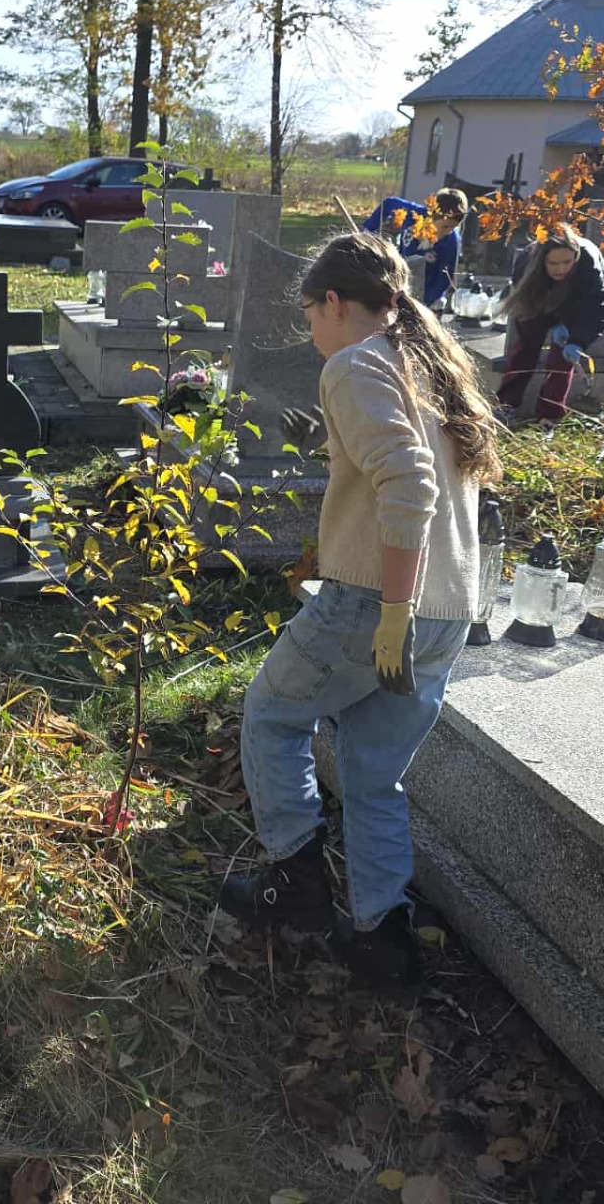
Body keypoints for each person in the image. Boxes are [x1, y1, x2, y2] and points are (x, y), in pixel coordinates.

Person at [220, 231, 501, 987]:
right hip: (450, 609)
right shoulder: (428, 364)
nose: (311, 331)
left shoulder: (354, 364)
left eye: (311, 314)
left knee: (272, 714)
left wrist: (392, 611)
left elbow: (409, 483)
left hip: (378, 600)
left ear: (336, 303)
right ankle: (380, 939)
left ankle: (293, 881)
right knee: (375, 775)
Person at [495, 223, 604, 424]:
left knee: (561, 360)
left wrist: (578, 341)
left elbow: (596, 309)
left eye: (567, 262)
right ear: (542, 261)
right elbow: (529, 303)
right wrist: (552, 321)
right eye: (553, 263)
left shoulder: (589, 267)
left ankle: (550, 416)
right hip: (538, 300)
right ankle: (505, 406)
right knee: (525, 349)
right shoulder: (526, 264)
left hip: (576, 302)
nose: (561, 269)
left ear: (575, 257)